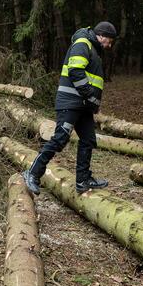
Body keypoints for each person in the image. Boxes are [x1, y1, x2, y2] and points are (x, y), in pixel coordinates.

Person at [22, 22, 117, 195]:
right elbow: (75, 71)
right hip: (71, 103)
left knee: (88, 140)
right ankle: (32, 173)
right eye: (109, 41)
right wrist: (89, 94)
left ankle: (83, 180)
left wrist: (92, 103)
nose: (109, 45)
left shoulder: (93, 49)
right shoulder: (83, 43)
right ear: (101, 35)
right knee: (60, 139)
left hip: (83, 105)